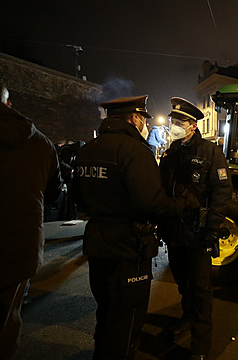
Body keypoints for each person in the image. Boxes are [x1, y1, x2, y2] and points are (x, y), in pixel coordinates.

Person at [72, 95, 197, 359]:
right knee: (127, 319)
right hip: (128, 246)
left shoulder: (87, 150)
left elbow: (77, 198)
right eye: (143, 119)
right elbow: (152, 203)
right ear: (134, 118)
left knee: (105, 312)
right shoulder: (134, 151)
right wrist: (182, 203)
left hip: (97, 243)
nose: (144, 125)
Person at [0, 69, 62, 359]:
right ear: (6, 103)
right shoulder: (39, 142)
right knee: (2, 327)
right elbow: (54, 193)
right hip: (15, 251)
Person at [159, 98, 232, 360]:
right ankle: (187, 317)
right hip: (175, 232)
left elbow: (222, 192)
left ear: (192, 125)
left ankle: (200, 345)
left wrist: (212, 229)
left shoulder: (210, 152)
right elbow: (162, 188)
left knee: (200, 289)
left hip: (199, 232)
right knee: (182, 282)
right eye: (173, 122)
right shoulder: (171, 153)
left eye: (179, 122)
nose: (174, 126)